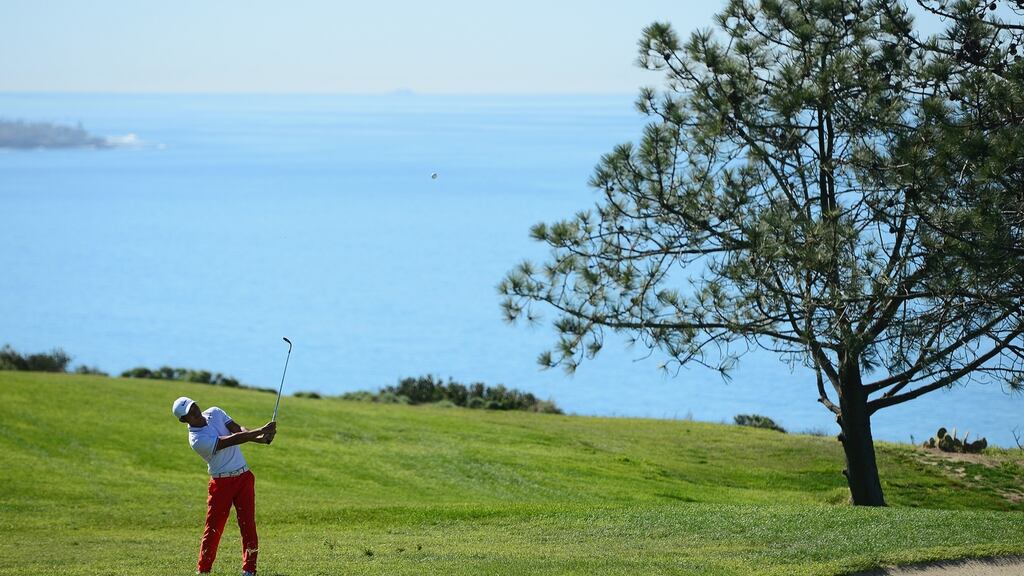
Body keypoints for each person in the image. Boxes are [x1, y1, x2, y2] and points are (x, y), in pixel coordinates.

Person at [172, 396, 277, 576]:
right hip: (221, 483)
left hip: (244, 477)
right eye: (190, 412)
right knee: (213, 528)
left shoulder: (215, 412)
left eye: (194, 406)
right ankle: (203, 570)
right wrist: (261, 430)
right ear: (184, 420)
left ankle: (250, 570)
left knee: (248, 525)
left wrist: (261, 438)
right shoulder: (197, 440)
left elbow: (238, 430)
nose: (195, 411)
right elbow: (231, 440)